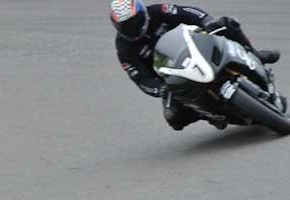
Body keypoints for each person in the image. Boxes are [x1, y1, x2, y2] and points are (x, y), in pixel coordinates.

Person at [111, 1, 282, 130]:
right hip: (173, 77)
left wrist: (207, 22)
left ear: (142, 13)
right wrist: (160, 89)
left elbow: (188, 12)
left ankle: (254, 53)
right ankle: (208, 114)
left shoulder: (157, 11)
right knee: (174, 119)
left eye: (134, 21)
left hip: (195, 48)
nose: (131, 27)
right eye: (125, 25)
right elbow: (140, 78)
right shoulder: (124, 49)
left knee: (227, 23)